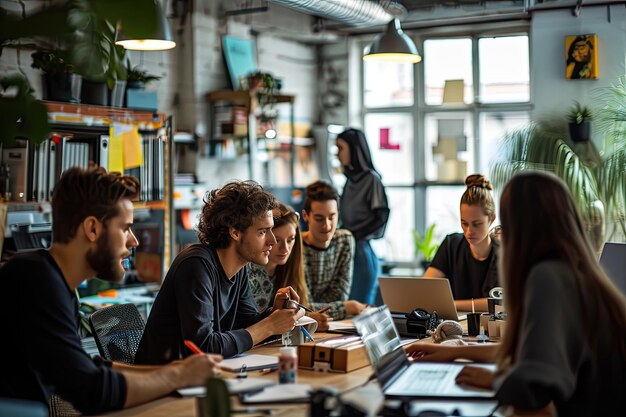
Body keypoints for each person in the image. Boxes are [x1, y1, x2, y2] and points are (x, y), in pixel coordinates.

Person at [0, 167, 221, 414]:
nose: (134, 241)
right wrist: (179, 375)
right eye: (125, 228)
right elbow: (90, 390)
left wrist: (181, 371)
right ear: (92, 229)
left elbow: (86, 368)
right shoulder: (35, 281)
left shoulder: (51, 281)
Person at [406, 172, 626, 416]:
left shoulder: (548, 276)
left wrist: (495, 381)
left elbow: (533, 387)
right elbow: (528, 349)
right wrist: (455, 350)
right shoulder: (573, 269)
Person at [135, 180, 304, 364]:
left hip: (199, 378)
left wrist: (274, 314)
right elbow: (203, 348)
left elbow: (246, 326)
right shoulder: (196, 265)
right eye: (263, 232)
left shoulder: (238, 268)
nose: (272, 241)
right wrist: (269, 326)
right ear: (235, 233)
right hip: (163, 382)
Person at [248, 203, 332, 330]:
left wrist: (305, 317)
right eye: (277, 239)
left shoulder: (289, 268)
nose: (285, 249)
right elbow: (252, 323)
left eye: (290, 239)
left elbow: (304, 306)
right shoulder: (249, 272)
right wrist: (304, 320)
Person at [425, 174, 499, 312]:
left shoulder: (504, 253)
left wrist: (452, 305)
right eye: (464, 223)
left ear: (491, 219)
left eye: (477, 224)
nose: (469, 231)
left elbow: (500, 303)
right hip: (453, 329)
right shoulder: (451, 245)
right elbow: (427, 288)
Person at [335, 128, 389, 305]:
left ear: (353, 149)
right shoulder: (350, 181)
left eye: (340, 148)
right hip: (349, 249)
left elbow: (381, 216)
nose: (337, 154)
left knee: (359, 307)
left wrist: (354, 234)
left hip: (362, 252)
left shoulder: (371, 180)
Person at [301, 180, 367, 320]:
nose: (327, 226)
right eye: (319, 219)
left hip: (332, 325)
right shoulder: (294, 245)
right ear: (306, 216)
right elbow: (301, 307)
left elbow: (340, 296)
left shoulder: (345, 241)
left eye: (332, 217)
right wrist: (346, 308)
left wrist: (317, 310)